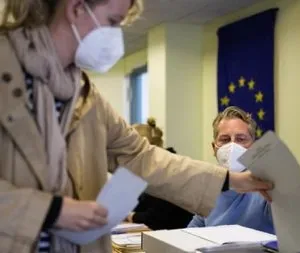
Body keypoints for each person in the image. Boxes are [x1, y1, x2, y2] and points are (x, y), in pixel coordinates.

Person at [0, 1, 273, 253]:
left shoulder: (86, 96)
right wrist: (52, 210)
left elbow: (142, 156)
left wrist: (233, 180)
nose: (114, 37)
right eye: (113, 21)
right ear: (77, 7)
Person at [188, 106, 274, 234]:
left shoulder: (265, 182)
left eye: (241, 139)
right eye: (225, 140)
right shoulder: (211, 188)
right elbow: (191, 233)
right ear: (214, 148)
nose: (232, 146)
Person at [125, 118, 193, 230]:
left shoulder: (170, 171)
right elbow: (138, 207)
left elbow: (154, 218)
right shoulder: (149, 171)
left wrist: (130, 215)